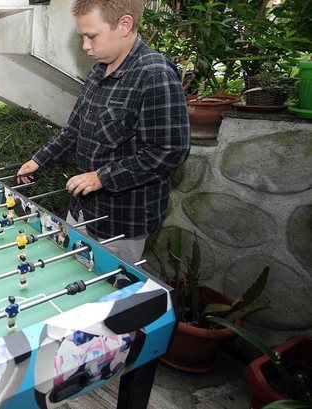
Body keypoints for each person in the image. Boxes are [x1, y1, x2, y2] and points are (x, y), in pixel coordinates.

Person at [17, 0, 189, 262]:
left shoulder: (155, 74)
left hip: (121, 221)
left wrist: (102, 177)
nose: (85, 46)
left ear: (124, 25)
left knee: (109, 283)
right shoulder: (98, 71)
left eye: (92, 36)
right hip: (82, 208)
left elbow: (169, 151)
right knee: (69, 268)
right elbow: (74, 129)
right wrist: (39, 159)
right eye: (82, 37)